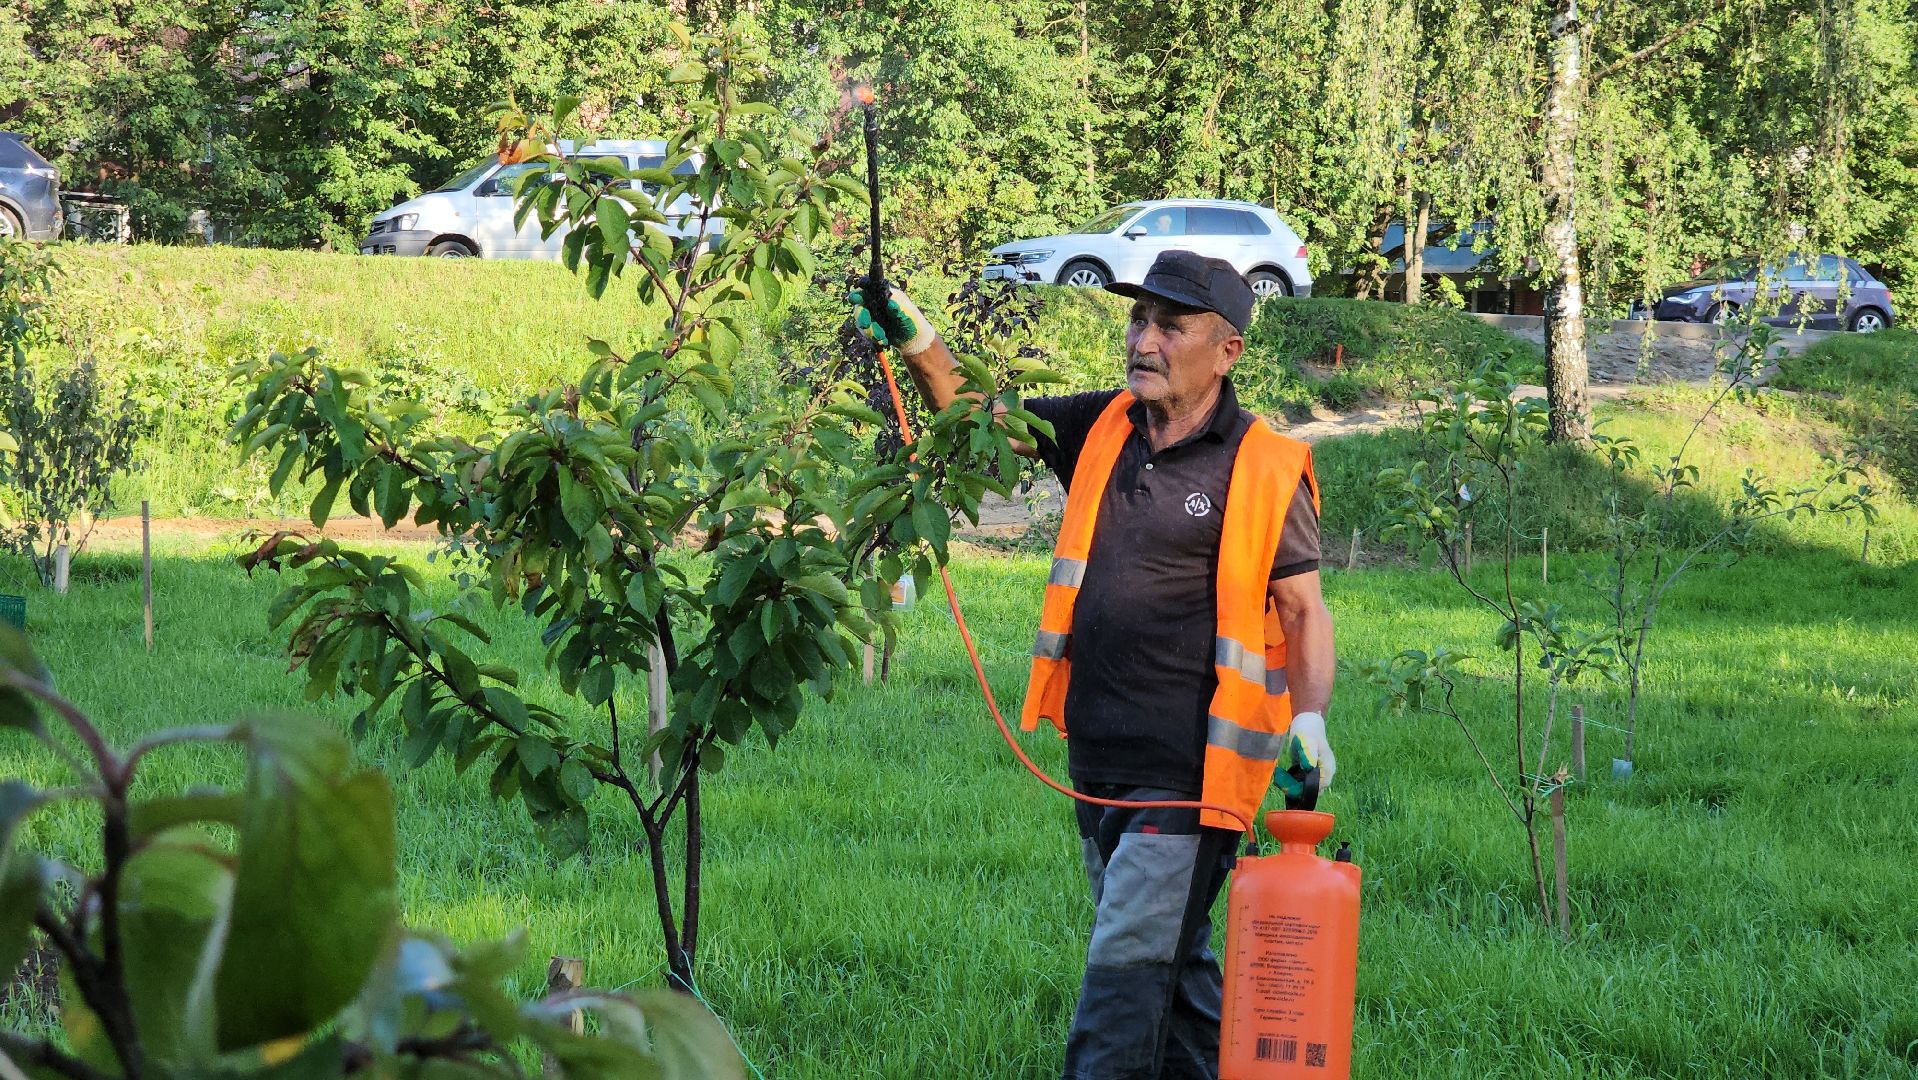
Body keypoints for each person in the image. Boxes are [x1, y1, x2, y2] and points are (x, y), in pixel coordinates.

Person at [855, 249, 1337, 1080]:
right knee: (1175, 984)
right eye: (1137, 318)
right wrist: (916, 334)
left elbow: (1303, 612)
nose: (1142, 340)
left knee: (1118, 993)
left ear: (1227, 352)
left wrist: (1310, 720)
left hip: (1194, 776)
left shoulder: (1262, 465)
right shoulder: (1100, 427)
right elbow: (980, 420)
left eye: (1169, 326)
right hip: (1097, 765)